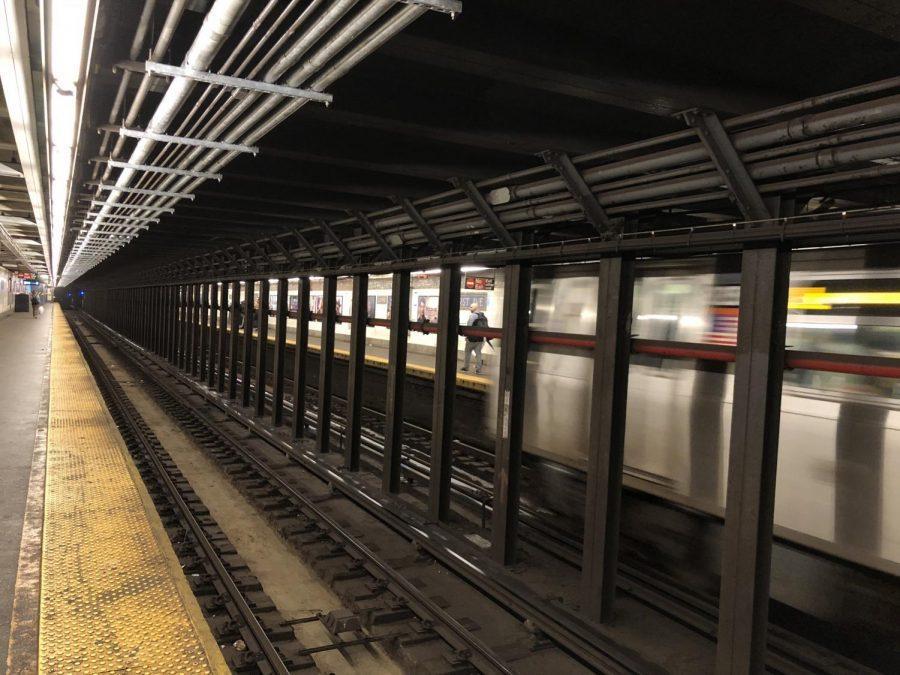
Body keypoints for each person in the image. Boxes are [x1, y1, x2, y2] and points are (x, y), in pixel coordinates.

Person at [461, 302, 488, 374]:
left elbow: (469, 327)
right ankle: (478, 370)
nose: (470, 308)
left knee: (467, 352)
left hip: (471, 339)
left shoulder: (472, 316)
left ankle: (466, 367)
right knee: (478, 353)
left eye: (471, 307)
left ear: (475, 308)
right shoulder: (482, 316)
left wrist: (467, 336)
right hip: (480, 338)